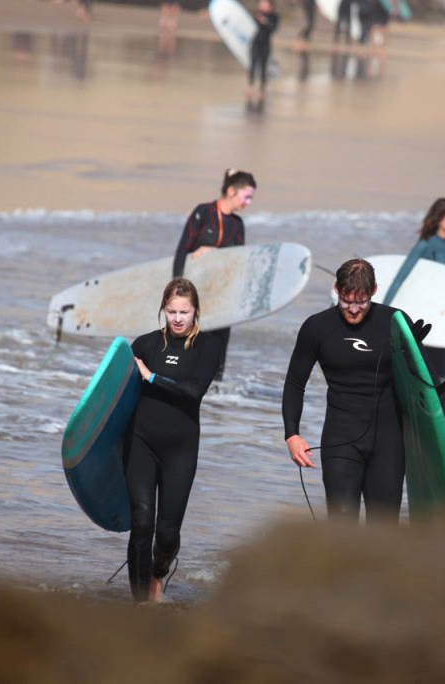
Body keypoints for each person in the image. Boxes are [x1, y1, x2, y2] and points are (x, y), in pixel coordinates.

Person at [283, 258, 445, 525]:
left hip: (388, 443)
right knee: (342, 529)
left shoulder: (394, 323)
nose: (353, 309)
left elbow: (427, 377)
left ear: (374, 290)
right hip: (340, 438)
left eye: (361, 302)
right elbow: (295, 383)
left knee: (383, 533)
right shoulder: (317, 328)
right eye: (346, 301)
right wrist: (292, 434)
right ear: (336, 289)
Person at [124, 278, 223, 603]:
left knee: (166, 534)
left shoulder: (207, 347)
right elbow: (115, 397)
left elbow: (194, 390)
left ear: (196, 312)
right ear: (162, 310)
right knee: (141, 523)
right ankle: (139, 603)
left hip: (179, 449)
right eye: (171, 311)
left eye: (184, 312)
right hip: (141, 442)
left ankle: (157, 574)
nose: (178, 318)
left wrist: (151, 376)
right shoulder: (145, 345)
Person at [172, 169, 257, 380]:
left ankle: (215, 398)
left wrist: (214, 253)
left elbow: (237, 261)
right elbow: (183, 250)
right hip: (197, 294)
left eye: (251, 198)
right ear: (231, 191)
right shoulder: (203, 212)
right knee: (189, 348)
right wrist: (177, 291)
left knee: (217, 356)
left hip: (222, 297)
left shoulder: (237, 225)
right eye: (246, 196)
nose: (248, 202)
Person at [383, 196, 445, 378]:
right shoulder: (425, 244)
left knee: (440, 365)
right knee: (420, 358)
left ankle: (437, 399)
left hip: (443, 312)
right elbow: (401, 278)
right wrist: (386, 309)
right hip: (425, 309)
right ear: (439, 218)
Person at [247, 0, 279, 109]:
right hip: (255, 43)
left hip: (266, 44)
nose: (261, 5)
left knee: (264, 66)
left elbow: (273, 29)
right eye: (260, 3)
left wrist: (266, 22)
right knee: (252, 64)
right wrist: (258, 19)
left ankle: (262, 88)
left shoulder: (274, 16)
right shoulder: (258, 14)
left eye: (263, 3)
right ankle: (250, 86)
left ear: (269, 5)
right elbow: (250, 23)